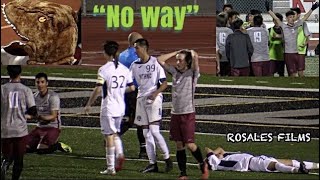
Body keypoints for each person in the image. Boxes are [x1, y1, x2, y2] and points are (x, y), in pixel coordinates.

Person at [85, 41, 135, 175]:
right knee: (115, 133)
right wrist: (118, 91)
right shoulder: (124, 69)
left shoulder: (103, 69)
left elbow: (98, 88)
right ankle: (120, 154)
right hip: (120, 107)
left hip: (109, 107)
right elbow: (132, 87)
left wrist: (89, 104)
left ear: (105, 53)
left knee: (108, 136)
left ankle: (110, 167)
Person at [157, 49, 209, 179]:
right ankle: (183, 173)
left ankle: (202, 164)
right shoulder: (174, 72)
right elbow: (160, 60)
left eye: (180, 60)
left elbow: (195, 58)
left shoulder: (192, 74)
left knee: (190, 145)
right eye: (177, 60)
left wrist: (192, 55)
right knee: (179, 145)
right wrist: (175, 52)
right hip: (175, 114)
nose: (177, 62)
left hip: (187, 113)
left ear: (187, 62)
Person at [130, 38, 173, 173]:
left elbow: (165, 83)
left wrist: (155, 93)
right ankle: (152, 163)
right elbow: (130, 85)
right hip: (141, 99)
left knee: (154, 131)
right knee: (146, 133)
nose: (135, 51)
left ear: (143, 48)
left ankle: (167, 159)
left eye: (136, 48)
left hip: (154, 99)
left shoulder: (155, 63)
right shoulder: (134, 65)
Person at [1, 65, 37, 180]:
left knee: (6, 156)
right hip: (20, 129)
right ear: (20, 73)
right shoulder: (26, 90)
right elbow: (33, 110)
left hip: (4, 128)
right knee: (19, 159)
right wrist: (26, 115)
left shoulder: (2, 88)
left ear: (8, 74)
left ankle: (4, 165)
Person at [265, 0, 319, 77]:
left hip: (296, 52)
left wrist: (312, 9)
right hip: (288, 53)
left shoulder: (296, 25)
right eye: (290, 17)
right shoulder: (284, 26)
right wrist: (268, 10)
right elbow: (276, 18)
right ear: (287, 18)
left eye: (293, 17)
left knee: (300, 72)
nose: (292, 18)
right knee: (292, 74)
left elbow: (305, 17)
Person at [25, 73, 72, 154]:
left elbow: (53, 116)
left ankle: (58, 145)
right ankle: (37, 144)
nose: (40, 85)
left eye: (42, 82)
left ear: (47, 83)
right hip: (39, 127)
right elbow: (30, 114)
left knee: (41, 150)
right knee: (24, 148)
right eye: (38, 82)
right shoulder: (34, 97)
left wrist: (38, 117)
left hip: (53, 127)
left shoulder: (53, 96)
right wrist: (21, 116)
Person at [118, 32, 147, 159]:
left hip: (124, 91)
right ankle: (143, 150)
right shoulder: (136, 56)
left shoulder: (122, 55)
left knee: (130, 119)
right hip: (135, 91)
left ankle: (114, 135)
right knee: (141, 121)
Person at [204, 147, 318, 174]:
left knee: (289, 161)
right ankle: (297, 171)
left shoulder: (224, 158)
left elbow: (221, 149)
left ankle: (317, 165)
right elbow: (207, 149)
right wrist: (210, 156)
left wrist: (219, 154)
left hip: (255, 159)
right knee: (276, 165)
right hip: (250, 163)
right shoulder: (216, 163)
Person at [291, 7, 312, 77]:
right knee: (292, 73)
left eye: (294, 14)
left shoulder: (303, 24)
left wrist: (305, 44)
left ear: (298, 15)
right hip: (290, 51)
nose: (292, 16)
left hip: (300, 51)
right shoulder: (289, 24)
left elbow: (307, 36)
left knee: (300, 72)